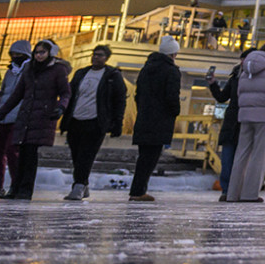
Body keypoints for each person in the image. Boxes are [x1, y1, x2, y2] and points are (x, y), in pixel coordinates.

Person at [0, 40, 71, 201]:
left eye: (42, 52)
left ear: (50, 53)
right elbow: (16, 96)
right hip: (25, 117)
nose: (39, 55)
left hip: (42, 117)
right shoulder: (29, 69)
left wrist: (61, 107)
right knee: (21, 153)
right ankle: (15, 188)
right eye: (37, 52)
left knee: (30, 154)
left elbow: (65, 92)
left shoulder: (57, 70)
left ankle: (25, 190)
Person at [60, 44, 127, 202]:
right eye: (94, 54)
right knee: (76, 154)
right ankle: (83, 183)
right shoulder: (81, 73)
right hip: (76, 119)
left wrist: (117, 122)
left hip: (96, 121)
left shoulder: (112, 76)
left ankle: (78, 185)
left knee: (87, 154)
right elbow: (70, 94)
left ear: (107, 58)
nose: (96, 57)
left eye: (100, 55)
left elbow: (119, 100)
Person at [229, 47, 265, 203]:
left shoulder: (245, 70)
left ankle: (232, 193)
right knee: (258, 155)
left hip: (245, 116)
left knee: (241, 154)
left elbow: (239, 93)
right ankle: (249, 194)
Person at [128, 36, 183, 201]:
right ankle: (138, 191)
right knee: (151, 158)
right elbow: (172, 96)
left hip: (144, 117)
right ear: (173, 54)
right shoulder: (172, 71)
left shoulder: (146, 69)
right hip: (161, 120)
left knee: (143, 156)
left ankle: (137, 189)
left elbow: (138, 95)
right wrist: (175, 111)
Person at [0, 40, 34, 199]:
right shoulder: (10, 72)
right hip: (3, 116)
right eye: (13, 54)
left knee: (12, 152)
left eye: (18, 54)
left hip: (18, 117)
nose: (15, 56)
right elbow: (3, 93)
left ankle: (15, 185)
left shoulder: (30, 70)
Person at [203, 56, 244, 198]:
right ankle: (226, 190)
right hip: (232, 123)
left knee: (240, 160)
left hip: (245, 123)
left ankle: (237, 190)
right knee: (227, 159)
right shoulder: (235, 78)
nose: (243, 62)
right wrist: (213, 83)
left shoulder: (255, 78)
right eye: (242, 59)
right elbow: (222, 97)